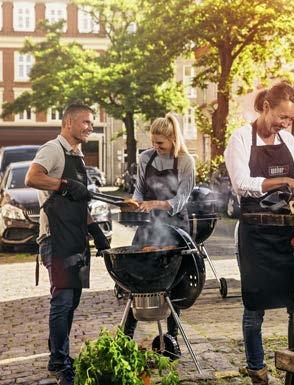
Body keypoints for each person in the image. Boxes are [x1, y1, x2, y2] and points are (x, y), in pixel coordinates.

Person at [224, 82, 294, 385]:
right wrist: (281, 182)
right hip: (255, 234)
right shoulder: (240, 139)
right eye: (282, 117)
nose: (286, 124)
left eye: (291, 119)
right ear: (266, 107)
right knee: (255, 306)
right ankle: (257, 368)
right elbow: (242, 182)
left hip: (287, 235)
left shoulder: (288, 140)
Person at [25, 103, 110, 385]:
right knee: (62, 301)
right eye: (85, 122)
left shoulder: (77, 155)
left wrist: (95, 231)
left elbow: (75, 203)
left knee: (71, 301)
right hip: (55, 240)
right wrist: (62, 184)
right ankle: (59, 362)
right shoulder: (53, 149)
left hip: (75, 238)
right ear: (69, 122)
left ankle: (57, 354)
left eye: (92, 124)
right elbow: (32, 177)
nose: (90, 127)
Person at [123, 112, 195, 347]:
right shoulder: (146, 158)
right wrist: (135, 202)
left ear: (173, 139)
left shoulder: (185, 161)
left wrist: (157, 204)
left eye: (160, 143)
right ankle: (126, 336)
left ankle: (172, 338)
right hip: (149, 226)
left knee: (174, 284)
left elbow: (182, 199)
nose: (156, 147)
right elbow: (139, 190)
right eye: (153, 142)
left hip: (175, 228)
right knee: (138, 282)